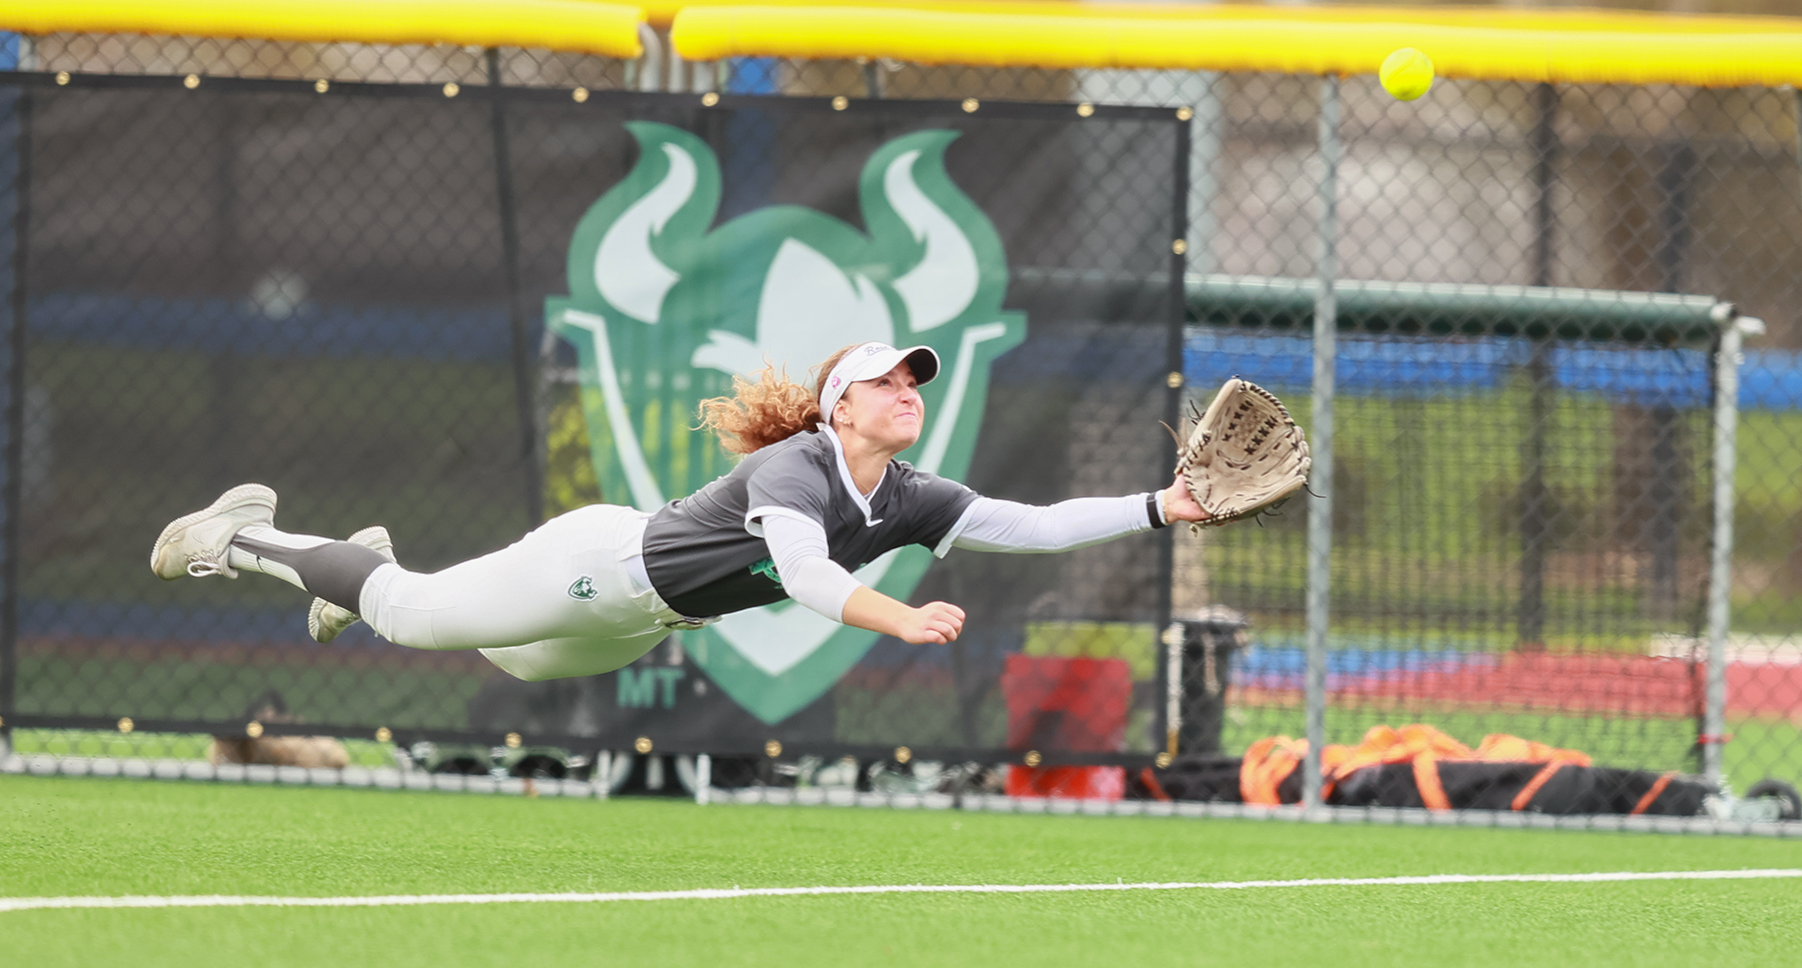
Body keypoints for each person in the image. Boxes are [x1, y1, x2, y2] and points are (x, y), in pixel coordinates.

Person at [150, 341, 1211, 681]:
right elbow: (801, 577)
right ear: (841, 405)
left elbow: (1033, 524)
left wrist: (1161, 504)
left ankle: (361, 566)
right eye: (887, 381)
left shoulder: (911, 496)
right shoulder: (796, 470)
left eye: (914, 382)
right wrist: (899, 619)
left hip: (643, 624)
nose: (908, 393)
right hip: (601, 567)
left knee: (510, 662)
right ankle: (241, 534)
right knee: (417, 621)